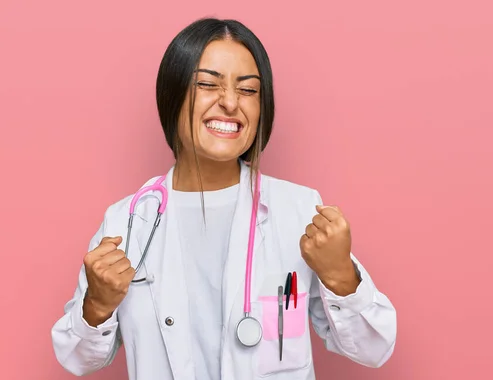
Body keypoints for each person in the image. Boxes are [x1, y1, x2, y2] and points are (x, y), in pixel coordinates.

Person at [51, 17, 396, 380]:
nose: (230, 102)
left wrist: (340, 274)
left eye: (248, 91)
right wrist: (98, 306)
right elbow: (76, 359)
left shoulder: (299, 212)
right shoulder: (126, 222)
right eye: (207, 84)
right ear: (172, 94)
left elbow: (374, 348)